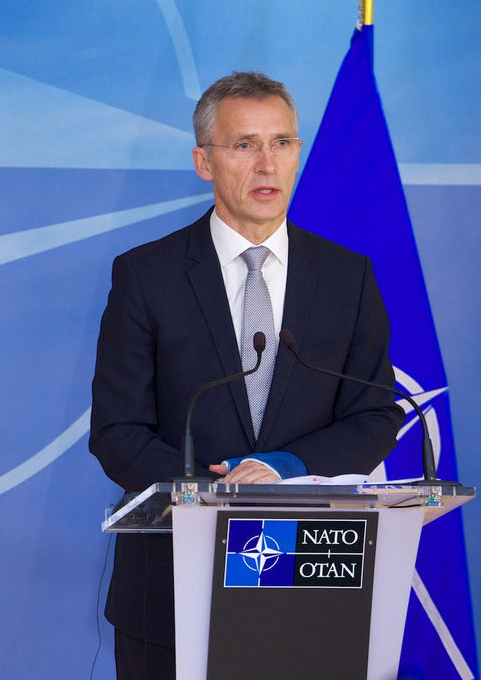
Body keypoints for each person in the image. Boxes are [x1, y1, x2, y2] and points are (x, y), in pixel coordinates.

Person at [88, 72, 403, 680]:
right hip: (172, 589)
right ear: (204, 161)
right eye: (244, 145)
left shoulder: (347, 277)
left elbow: (375, 414)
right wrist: (213, 497)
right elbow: (118, 430)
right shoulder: (145, 276)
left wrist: (283, 469)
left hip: (313, 583)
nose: (267, 164)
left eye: (282, 143)